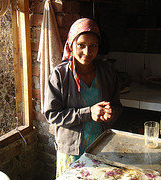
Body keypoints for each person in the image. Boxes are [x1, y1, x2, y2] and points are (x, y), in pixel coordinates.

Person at [44, 18, 123, 178]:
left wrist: (111, 113)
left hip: (100, 147)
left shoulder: (107, 73)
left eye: (93, 45)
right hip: (71, 151)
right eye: (81, 45)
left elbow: (117, 105)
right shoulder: (60, 75)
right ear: (71, 45)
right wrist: (88, 113)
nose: (87, 52)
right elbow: (52, 115)